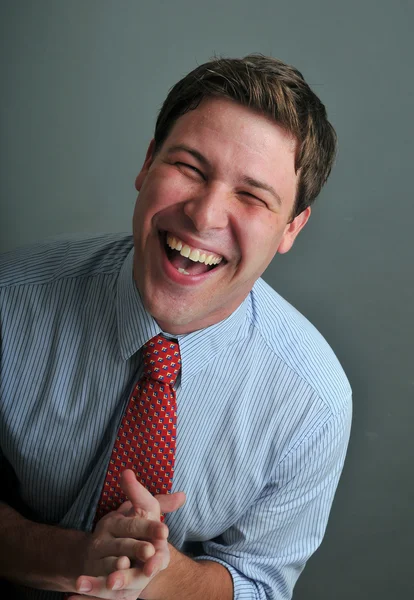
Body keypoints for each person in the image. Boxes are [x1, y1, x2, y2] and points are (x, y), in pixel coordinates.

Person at [0, 55, 352, 600]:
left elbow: (260, 585)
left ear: (291, 228)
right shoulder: (9, 302)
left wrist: (160, 574)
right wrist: (77, 559)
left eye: (253, 196)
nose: (206, 215)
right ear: (147, 162)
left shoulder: (314, 402)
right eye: (190, 166)